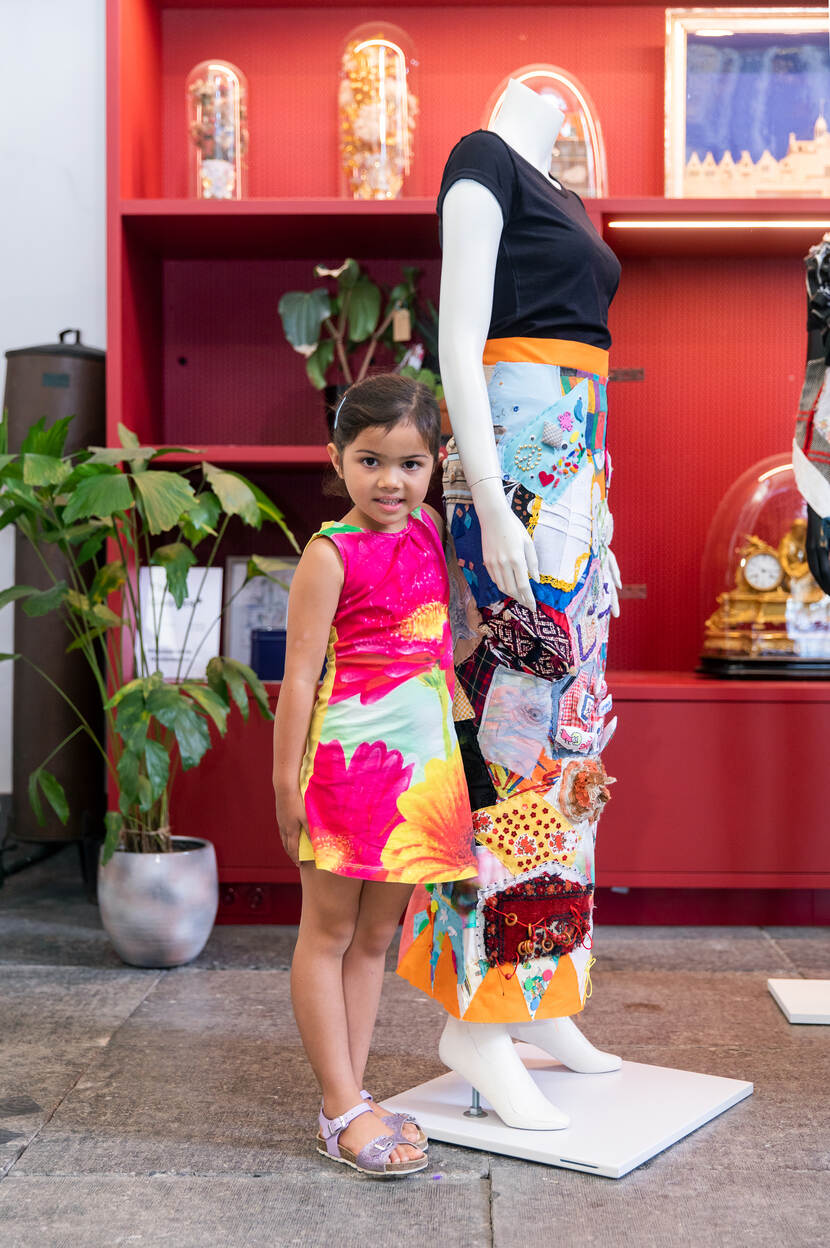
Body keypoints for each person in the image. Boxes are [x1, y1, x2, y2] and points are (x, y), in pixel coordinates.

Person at [396, 79, 624, 1130]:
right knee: (514, 741)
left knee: (570, 748)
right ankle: (477, 1021)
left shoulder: (552, 181)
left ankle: (543, 988)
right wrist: (489, 503)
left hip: (574, 468)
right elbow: (455, 346)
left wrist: (593, 508)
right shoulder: (480, 155)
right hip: (520, 476)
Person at [272, 373, 477, 1177]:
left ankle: (350, 1098)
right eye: (370, 461)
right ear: (337, 459)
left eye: (411, 463)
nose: (391, 481)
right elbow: (297, 676)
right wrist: (286, 785)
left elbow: (443, 652)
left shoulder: (429, 529)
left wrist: (470, 774)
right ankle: (339, 1105)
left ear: (434, 465)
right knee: (327, 933)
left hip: (423, 770)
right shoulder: (331, 553)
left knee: (378, 937)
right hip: (348, 766)